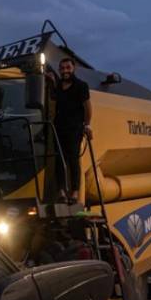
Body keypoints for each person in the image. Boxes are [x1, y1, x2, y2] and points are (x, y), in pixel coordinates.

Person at [53, 57, 92, 204]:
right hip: (58, 128)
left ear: (73, 68)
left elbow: (88, 107)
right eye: (62, 68)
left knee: (73, 160)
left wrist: (87, 125)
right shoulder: (58, 86)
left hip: (74, 129)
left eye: (67, 68)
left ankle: (75, 192)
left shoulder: (81, 86)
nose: (65, 71)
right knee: (59, 160)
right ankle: (61, 191)